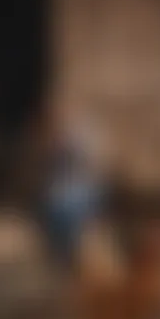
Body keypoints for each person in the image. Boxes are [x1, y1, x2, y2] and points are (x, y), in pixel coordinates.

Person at [35, 107, 106, 275]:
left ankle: (67, 260)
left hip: (82, 191)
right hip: (63, 192)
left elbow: (93, 171)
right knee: (56, 207)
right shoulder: (61, 142)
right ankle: (62, 258)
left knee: (66, 209)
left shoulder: (86, 137)